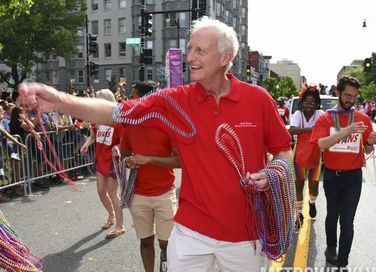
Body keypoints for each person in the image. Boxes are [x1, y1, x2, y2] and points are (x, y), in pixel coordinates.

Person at [20, 17, 292, 271]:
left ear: (225, 58)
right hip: (191, 235)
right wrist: (59, 100)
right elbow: (114, 112)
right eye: (189, 49)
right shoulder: (174, 101)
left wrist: (273, 173)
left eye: (200, 51)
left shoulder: (258, 99)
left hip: (245, 237)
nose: (190, 58)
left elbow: (283, 150)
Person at [310, 76, 376, 269]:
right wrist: (347, 130)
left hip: (353, 178)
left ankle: (342, 262)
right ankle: (331, 246)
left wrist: (371, 142)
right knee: (332, 215)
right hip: (332, 176)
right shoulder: (325, 117)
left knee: (347, 221)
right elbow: (322, 144)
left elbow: (366, 150)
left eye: (354, 97)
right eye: (347, 95)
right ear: (338, 93)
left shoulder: (363, 118)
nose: (350, 100)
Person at [120, 81, 180, 272]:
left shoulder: (166, 124)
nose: (130, 100)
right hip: (138, 194)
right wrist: (129, 161)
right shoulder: (129, 124)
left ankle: (166, 264)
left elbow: (179, 161)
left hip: (164, 193)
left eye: (134, 95)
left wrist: (149, 159)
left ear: (147, 99)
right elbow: (125, 154)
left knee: (166, 243)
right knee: (146, 242)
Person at [80, 89, 126, 239]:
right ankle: (111, 215)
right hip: (100, 159)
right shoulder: (96, 118)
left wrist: (117, 148)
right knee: (101, 191)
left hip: (113, 161)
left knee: (113, 193)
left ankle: (120, 225)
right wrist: (86, 144)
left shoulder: (118, 119)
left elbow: (125, 141)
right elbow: (93, 135)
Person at [288, 87, 324, 230]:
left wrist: (304, 131)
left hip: (315, 154)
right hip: (299, 154)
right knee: (299, 185)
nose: (309, 105)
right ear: (302, 103)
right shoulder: (297, 114)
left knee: (313, 186)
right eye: (306, 102)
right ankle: (299, 213)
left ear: (317, 104)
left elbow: (324, 129)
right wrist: (312, 129)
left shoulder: (320, 113)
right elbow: (292, 130)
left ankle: (312, 202)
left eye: (312, 103)